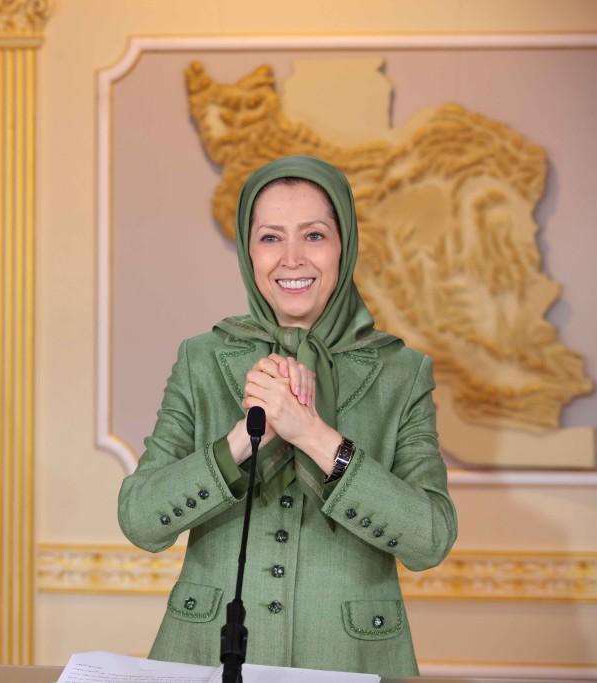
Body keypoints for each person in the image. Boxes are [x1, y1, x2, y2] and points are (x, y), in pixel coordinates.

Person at [117, 155, 457, 677]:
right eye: (271, 237)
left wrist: (316, 437)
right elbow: (141, 519)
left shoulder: (402, 372)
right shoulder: (201, 358)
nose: (292, 259)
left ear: (345, 245)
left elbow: (430, 537)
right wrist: (241, 441)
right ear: (248, 251)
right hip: (209, 654)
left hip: (350, 658)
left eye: (315, 236)